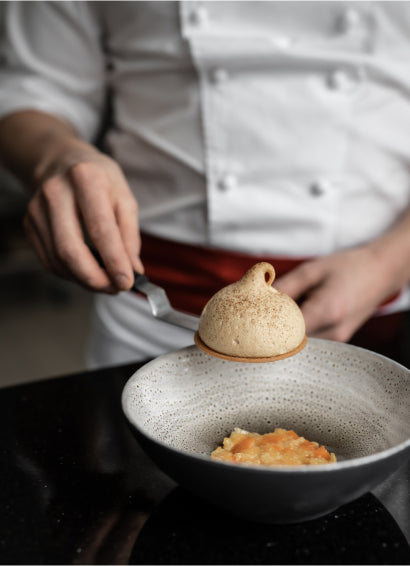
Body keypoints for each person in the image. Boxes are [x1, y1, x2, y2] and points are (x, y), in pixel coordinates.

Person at [1, 1, 410, 368]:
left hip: (372, 305)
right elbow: (34, 86)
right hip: (153, 309)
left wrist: (389, 262)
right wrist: (56, 156)